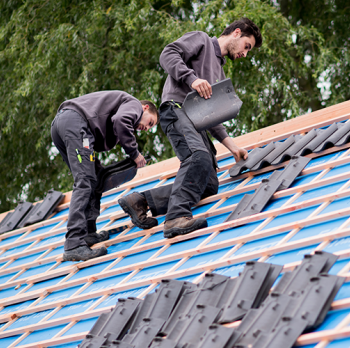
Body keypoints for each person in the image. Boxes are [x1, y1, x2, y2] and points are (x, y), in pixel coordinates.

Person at [118, 18, 262, 238]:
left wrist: (233, 148)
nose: (245, 53)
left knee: (208, 183)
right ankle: (176, 217)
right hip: (176, 110)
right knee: (198, 157)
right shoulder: (202, 40)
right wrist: (192, 79)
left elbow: (213, 117)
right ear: (236, 33)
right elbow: (167, 54)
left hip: (197, 123)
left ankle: (140, 201)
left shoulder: (219, 75)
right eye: (247, 46)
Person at [51, 91, 159, 261]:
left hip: (65, 125)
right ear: (145, 108)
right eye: (150, 122)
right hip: (75, 123)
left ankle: (88, 233)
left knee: (94, 178)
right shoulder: (134, 105)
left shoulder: (122, 108)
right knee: (85, 180)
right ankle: (73, 244)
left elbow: (114, 124)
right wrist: (134, 153)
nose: (147, 128)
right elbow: (121, 120)